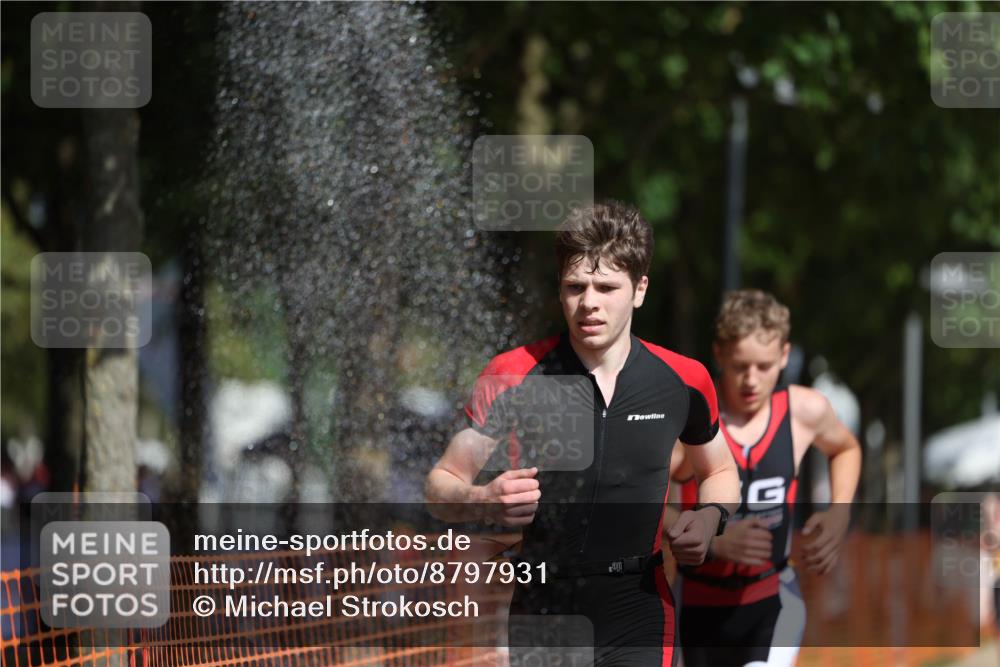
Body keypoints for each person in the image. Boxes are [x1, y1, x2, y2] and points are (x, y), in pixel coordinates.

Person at [425, 202, 740, 666]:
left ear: (640, 290)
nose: (588, 301)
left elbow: (721, 468)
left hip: (639, 607)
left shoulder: (684, 380)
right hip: (545, 610)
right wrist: (485, 498)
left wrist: (711, 517)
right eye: (575, 286)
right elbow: (439, 485)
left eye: (606, 287)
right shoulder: (513, 374)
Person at [668, 289, 862, 667]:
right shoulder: (692, 420)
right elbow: (643, 502)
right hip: (696, 603)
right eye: (740, 366)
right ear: (719, 354)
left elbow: (847, 448)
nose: (751, 380)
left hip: (774, 599)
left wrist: (839, 514)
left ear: (785, 356)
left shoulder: (804, 411)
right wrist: (713, 539)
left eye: (765, 366)